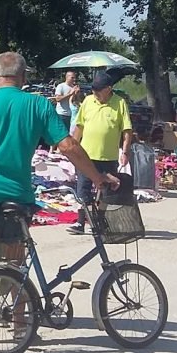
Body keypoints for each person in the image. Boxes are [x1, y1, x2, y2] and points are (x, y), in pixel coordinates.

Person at [0, 52, 119, 338]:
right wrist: (97, 177)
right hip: (17, 193)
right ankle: (21, 326)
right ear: (24, 77)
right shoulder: (38, 105)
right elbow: (67, 146)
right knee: (15, 261)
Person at [67, 70, 133, 235]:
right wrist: (73, 148)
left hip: (108, 157)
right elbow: (79, 126)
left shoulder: (120, 103)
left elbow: (126, 130)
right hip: (86, 156)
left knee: (106, 192)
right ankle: (81, 222)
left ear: (108, 89)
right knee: (83, 190)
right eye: (93, 89)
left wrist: (125, 152)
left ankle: (100, 223)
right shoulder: (88, 101)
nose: (95, 93)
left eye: (98, 90)